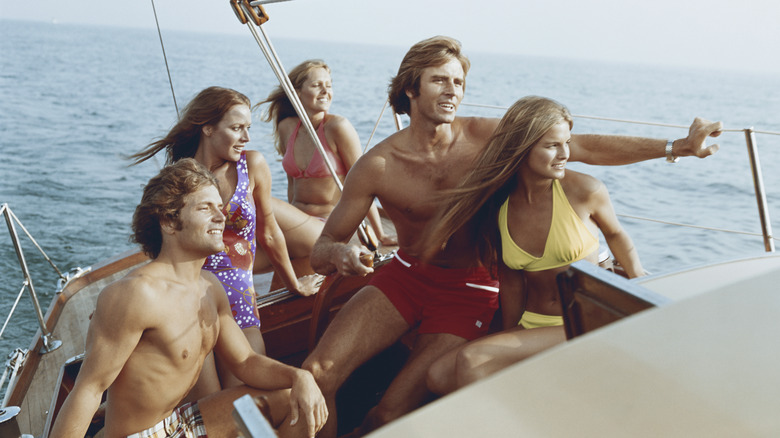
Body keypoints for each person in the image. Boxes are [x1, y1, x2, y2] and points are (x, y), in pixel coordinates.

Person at [303, 35, 722, 437]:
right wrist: (342, 254)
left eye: (459, 82)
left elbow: (583, 147)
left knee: (388, 413)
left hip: (471, 286)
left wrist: (678, 147)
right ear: (410, 88)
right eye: (439, 80)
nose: (453, 91)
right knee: (316, 375)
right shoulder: (377, 165)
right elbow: (321, 251)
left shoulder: (488, 138)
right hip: (406, 275)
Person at [50, 158, 327, 438]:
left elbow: (245, 362)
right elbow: (89, 389)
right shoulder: (136, 294)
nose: (221, 216)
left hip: (177, 422)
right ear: (170, 221)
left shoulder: (210, 287)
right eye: (206, 208)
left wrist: (299, 376)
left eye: (220, 207)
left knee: (296, 400)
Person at [423, 96, 645, 395]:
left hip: (580, 321)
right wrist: (506, 338)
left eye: (566, 143)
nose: (564, 154)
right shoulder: (500, 206)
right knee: (437, 376)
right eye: (552, 145)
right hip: (531, 323)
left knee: (473, 358)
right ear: (522, 147)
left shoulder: (584, 191)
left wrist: (640, 281)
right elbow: (512, 282)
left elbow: (617, 236)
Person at [130, 87, 320, 391]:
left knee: (250, 395)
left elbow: (269, 232)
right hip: (194, 298)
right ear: (207, 128)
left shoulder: (252, 165)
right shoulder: (181, 178)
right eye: (236, 128)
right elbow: (163, 245)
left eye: (248, 128)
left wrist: (294, 284)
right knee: (208, 401)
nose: (245, 137)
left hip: (239, 297)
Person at [258, 59, 396, 245]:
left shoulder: (338, 127)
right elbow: (292, 183)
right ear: (297, 92)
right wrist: (290, 215)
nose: (325, 91)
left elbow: (363, 183)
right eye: (316, 85)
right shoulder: (287, 127)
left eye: (329, 85)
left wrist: (380, 235)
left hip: (328, 224)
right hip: (298, 220)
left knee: (261, 203)